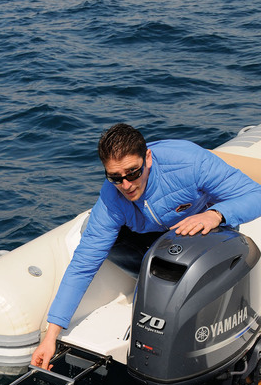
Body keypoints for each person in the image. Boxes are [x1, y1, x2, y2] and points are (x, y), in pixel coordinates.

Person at [31, 123, 261, 370]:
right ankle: (150, 279)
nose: (126, 185)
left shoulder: (189, 162)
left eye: (133, 172)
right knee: (93, 234)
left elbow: (255, 195)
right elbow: (83, 265)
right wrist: (50, 336)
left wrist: (216, 214)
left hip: (206, 231)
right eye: (115, 177)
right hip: (155, 237)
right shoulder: (112, 196)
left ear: (147, 157)